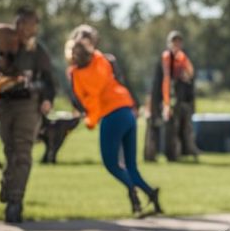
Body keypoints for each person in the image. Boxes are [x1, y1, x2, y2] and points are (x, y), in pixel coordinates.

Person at [67, 35, 162, 216]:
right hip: (127, 111)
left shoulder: (77, 74)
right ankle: (151, 194)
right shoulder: (101, 60)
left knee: (112, 164)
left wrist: (90, 121)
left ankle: (132, 193)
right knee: (131, 166)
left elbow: (90, 100)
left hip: (111, 116)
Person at [0, 8, 55, 224]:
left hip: (28, 105)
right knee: (9, 151)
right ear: (17, 25)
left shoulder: (38, 51)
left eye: (32, 25)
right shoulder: (1, 45)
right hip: (6, 105)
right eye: (24, 24)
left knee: (23, 152)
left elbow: (49, 79)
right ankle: (8, 186)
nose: (28, 29)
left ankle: (15, 202)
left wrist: (46, 98)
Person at [161, 31, 199, 161]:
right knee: (172, 127)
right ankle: (172, 154)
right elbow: (166, 78)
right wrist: (166, 102)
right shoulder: (167, 56)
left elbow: (190, 73)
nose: (176, 44)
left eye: (178, 42)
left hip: (183, 98)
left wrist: (186, 75)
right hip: (171, 98)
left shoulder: (182, 57)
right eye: (174, 41)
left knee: (185, 127)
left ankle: (186, 151)